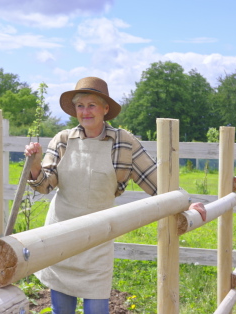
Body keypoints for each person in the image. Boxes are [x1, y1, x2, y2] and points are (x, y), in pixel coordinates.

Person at [25, 76, 207, 314]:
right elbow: (44, 186)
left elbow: (157, 183)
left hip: (98, 241)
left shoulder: (124, 143)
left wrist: (188, 203)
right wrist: (35, 165)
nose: (85, 111)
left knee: (97, 310)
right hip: (62, 235)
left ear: (105, 109)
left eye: (92, 105)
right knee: (62, 311)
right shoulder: (62, 140)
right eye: (80, 105)